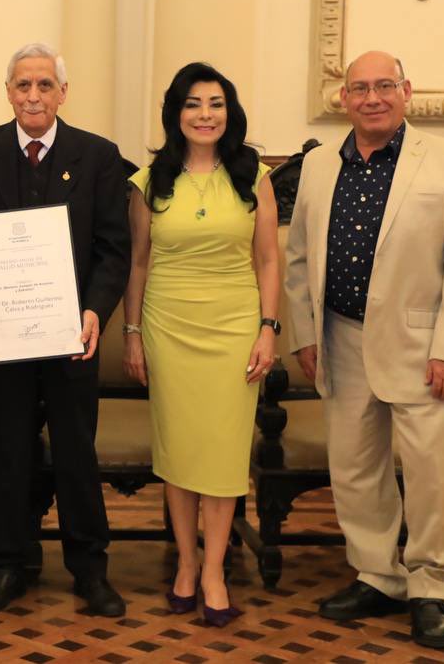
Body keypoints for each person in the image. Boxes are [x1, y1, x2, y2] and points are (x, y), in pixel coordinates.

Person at [284, 50, 444, 649]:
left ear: (407, 91)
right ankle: (376, 574)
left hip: (425, 347)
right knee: (354, 467)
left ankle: (430, 587)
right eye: (359, 88)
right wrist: (305, 334)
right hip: (339, 339)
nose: (372, 98)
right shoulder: (320, 165)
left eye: (384, 86)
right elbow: (298, 258)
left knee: (431, 475)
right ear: (343, 99)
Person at [0, 43, 132, 616]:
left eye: (44, 86)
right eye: (22, 85)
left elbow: (112, 250)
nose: (33, 95)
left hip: (70, 335)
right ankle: (7, 564)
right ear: (8, 92)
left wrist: (94, 312)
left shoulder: (98, 156)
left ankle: (90, 569)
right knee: (6, 449)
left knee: (75, 452)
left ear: (62, 92)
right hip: (3, 335)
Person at [122, 62, 279, 627]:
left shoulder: (254, 176)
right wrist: (133, 333)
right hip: (168, 327)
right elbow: (138, 263)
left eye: (215, 103)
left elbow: (268, 259)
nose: (205, 114)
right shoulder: (148, 181)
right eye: (193, 104)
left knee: (223, 452)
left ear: (228, 112)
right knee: (181, 450)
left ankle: (214, 570)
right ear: (176, 114)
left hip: (236, 329)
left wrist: (268, 328)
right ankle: (185, 563)